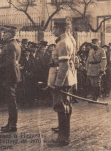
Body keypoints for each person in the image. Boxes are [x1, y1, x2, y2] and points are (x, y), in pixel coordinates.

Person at [48, 17, 77, 147]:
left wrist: (58, 84)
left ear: (60, 28)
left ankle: (63, 138)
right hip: (68, 79)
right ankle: (64, 134)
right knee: (66, 107)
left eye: (54, 27)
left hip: (62, 81)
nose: (52, 30)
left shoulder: (63, 42)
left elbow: (64, 65)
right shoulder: (69, 39)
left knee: (61, 107)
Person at [0, 25, 21, 132]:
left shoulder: (10, 45)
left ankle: (12, 124)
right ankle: (11, 123)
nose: (3, 35)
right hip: (12, 75)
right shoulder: (14, 44)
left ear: (10, 34)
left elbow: (10, 63)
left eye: (5, 33)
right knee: (11, 100)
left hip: (9, 75)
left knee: (11, 101)